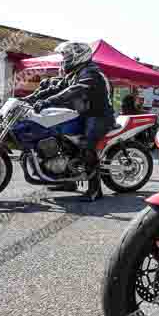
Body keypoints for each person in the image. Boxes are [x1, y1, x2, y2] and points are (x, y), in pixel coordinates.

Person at [26, 41, 116, 201]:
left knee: (87, 146)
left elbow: (73, 90)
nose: (64, 59)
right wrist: (30, 98)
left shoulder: (90, 72)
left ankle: (95, 190)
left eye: (67, 56)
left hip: (98, 116)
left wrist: (48, 102)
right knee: (61, 137)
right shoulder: (76, 72)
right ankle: (68, 181)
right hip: (83, 113)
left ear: (79, 56)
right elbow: (57, 87)